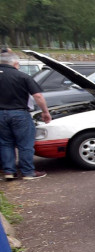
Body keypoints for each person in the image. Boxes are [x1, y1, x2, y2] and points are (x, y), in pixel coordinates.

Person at [0, 52, 51, 180]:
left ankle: (9, 171)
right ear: (15, 63)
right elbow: (38, 96)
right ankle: (28, 172)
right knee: (25, 144)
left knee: (5, 143)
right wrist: (45, 112)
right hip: (19, 113)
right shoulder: (22, 76)